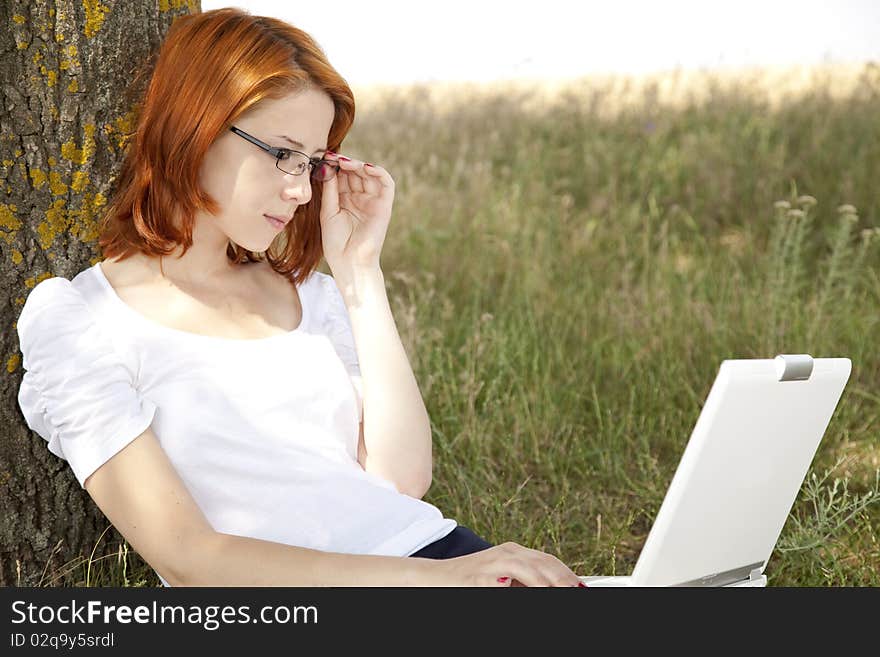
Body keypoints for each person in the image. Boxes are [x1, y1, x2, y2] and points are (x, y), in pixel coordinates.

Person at [15, 7, 585, 588]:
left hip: (435, 557)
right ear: (197, 126)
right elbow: (187, 558)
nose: (298, 189)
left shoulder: (309, 292)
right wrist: (440, 583)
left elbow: (401, 479)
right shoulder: (79, 321)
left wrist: (361, 273)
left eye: (311, 163)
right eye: (281, 152)